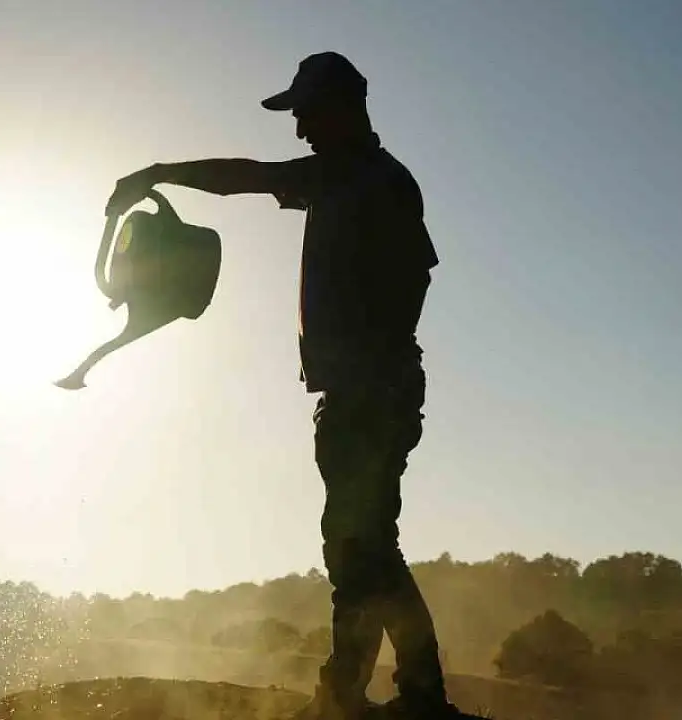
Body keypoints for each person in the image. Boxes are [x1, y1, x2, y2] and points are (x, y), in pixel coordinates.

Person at [105, 52, 459, 719]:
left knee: (359, 546)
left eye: (305, 113)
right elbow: (257, 179)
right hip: (366, 389)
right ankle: (395, 694)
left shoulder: (365, 176)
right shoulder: (355, 176)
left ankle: (372, 697)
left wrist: (158, 173)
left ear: (342, 107)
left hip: (370, 392)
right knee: (364, 547)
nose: (299, 128)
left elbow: (252, 179)